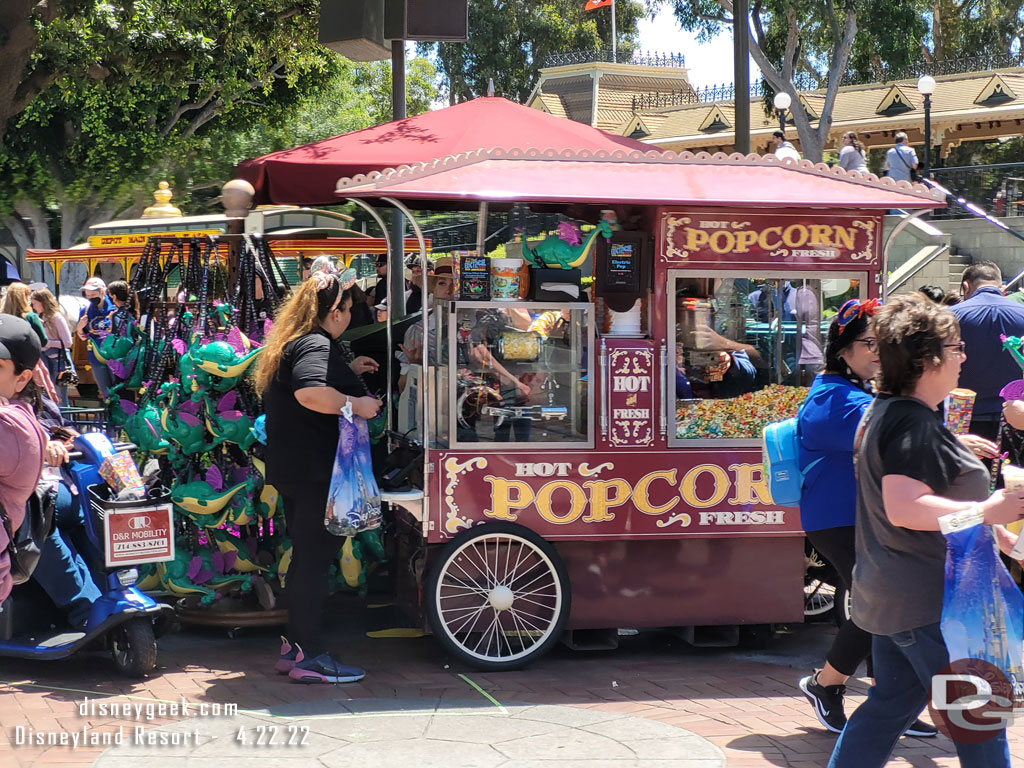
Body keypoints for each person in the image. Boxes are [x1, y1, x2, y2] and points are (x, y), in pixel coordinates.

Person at [827, 294, 1023, 768]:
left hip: (897, 596)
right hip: (929, 602)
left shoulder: (892, 411)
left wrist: (999, 535)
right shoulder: (909, 421)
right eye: (957, 347)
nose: (964, 357)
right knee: (979, 719)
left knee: (887, 710)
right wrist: (988, 509)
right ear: (928, 359)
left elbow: (925, 504)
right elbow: (904, 507)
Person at [796, 299, 936, 738]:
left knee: (883, 601)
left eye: (883, 343)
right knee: (877, 600)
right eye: (868, 343)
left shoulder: (859, 395)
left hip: (865, 517)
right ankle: (828, 684)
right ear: (842, 349)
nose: (877, 351)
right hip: (837, 517)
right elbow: (890, 434)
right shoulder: (833, 400)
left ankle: (885, 699)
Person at [256, 271, 381, 684]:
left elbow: (310, 384)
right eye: (347, 310)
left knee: (308, 558)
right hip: (315, 471)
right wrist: (357, 404)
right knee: (313, 561)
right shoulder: (313, 342)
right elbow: (309, 393)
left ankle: (295, 646)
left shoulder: (297, 343)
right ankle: (309, 656)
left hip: (298, 469)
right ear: (333, 312)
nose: (349, 317)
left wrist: (345, 368)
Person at [0, 314, 100, 626]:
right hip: (45, 491)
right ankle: (89, 604)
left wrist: (53, 444)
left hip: (49, 490)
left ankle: (88, 607)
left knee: (47, 521)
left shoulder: (18, 416)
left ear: (22, 376)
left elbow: (61, 431)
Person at [951, 262, 1024, 443]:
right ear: (1002, 287)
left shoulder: (950, 316)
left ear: (966, 286)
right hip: (1016, 416)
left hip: (962, 418)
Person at [31, 288, 73, 408]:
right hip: (43, 358)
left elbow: (68, 342)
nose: (33, 306)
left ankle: (65, 423)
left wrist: (48, 343)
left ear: (42, 302)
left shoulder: (56, 317)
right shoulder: (39, 318)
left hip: (56, 360)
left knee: (60, 395)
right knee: (46, 394)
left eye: (35, 303)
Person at [75, 277, 116, 398]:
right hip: (96, 357)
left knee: (118, 390)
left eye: (93, 294)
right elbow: (82, 337)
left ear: (102, 292)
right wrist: (80, 327)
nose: (90, 298)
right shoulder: (85, 311)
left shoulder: (114, 308)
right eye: (88, 295)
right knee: (105, 392)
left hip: (114, 356)